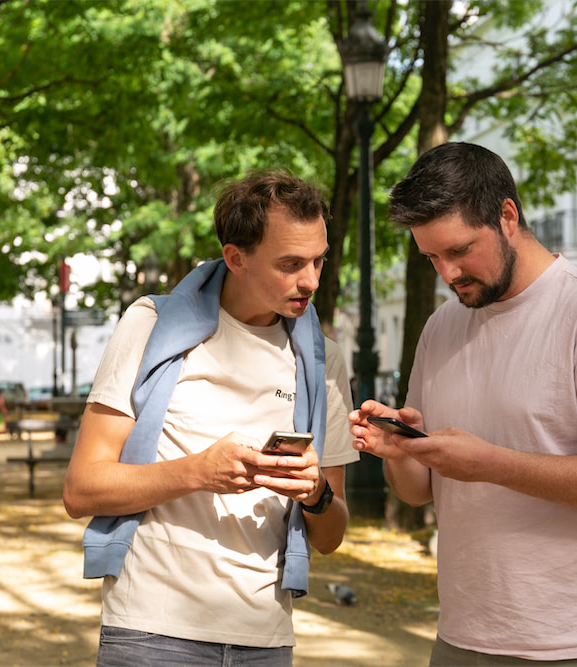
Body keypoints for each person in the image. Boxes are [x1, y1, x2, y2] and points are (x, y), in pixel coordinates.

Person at [349, 142, 577, 666]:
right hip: (461, 634)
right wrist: (402, 450)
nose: (447, 273)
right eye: (431, 256)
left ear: (506, 216)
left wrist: (492, 464)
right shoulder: (442, 326)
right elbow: (416, 494)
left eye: (459, 250)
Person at [63, 170, 359, 666]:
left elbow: (330, 538)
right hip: (150, 631)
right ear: (235, 258)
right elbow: (81, 489)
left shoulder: (322, 361)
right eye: (289, 264)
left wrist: (316, 493)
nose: (309, 280)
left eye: (318, 261)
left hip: (266, 641)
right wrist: (199, 472)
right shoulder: (152, 325)